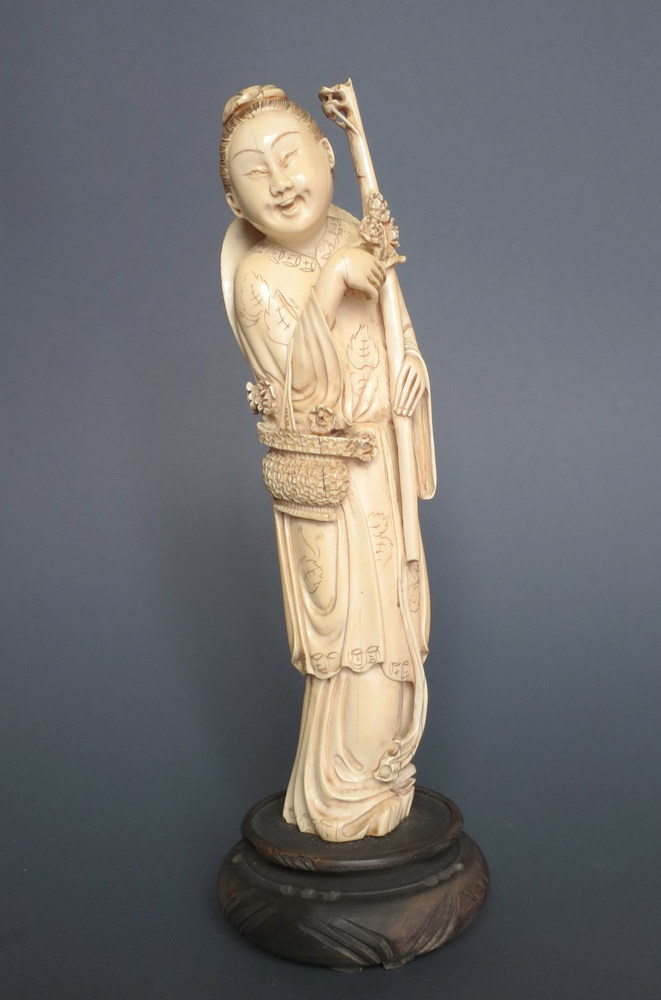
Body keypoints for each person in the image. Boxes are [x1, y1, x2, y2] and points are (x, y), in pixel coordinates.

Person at [219, 85, 436, 842]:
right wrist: (329, 285)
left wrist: (412, 370)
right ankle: (342, 793)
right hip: (333, 482)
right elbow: (296, 392)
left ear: (326, 158)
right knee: (355, 643)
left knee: (400, 623)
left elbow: (394, 326)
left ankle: (382, 774)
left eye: (291, 158)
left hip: (383, 467)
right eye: (255, 173)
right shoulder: (257, 278)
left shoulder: (349, 228)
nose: (281, 182)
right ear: (235, 201)